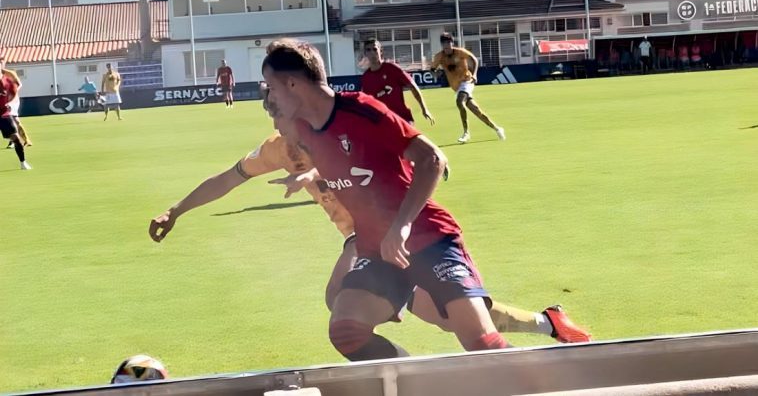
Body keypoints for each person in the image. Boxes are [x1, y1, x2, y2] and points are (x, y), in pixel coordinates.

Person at [148, 116, 591, 346]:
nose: (284, 124)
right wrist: (176, 209)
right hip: (367, 240)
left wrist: (315, 174)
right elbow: (228, 178)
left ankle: (392, 376)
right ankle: (547, 323)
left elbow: (380, 156)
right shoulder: (276, 149)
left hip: (405, 233)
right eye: (277, 116)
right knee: (446, 320)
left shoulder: (342, 126)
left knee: (341, 305)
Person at [261, 40, 511, 361]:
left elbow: (433, 160)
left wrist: (401, 227)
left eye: (273, 87)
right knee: (346, 331)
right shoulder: (303, 129)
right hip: (376, 250)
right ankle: (421, 385)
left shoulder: (361, 110)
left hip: (428, 237)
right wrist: (307, 177)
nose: (272, 96)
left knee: (482, 345)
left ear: (293, 84)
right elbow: (344, 163)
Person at [429, 32, 504, 144]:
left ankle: (466, 133)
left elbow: (474, 59)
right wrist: (435, 74)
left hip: (467, 81)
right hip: (456, 86)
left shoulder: (460, 52)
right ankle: (497, 128)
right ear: (441, 44)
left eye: (448, 42)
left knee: (460, 102)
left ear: (452, 43)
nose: (446, 45)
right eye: (444, 43)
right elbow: (432, 69)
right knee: (476, 111)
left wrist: (474, 74)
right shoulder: (439, 56)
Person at [360, 39, 434, 126]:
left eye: (375, 49)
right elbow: (366, 103)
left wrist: (424, 109)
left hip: (403, 119)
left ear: (380, 51)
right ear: (365, 53)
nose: (372, 52)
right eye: (368, 50)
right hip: (383, 123)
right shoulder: (366, 78)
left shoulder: (392, 68)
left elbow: (412, 86)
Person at [0, 69, 31, 170]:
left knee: (15, 137)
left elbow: (14, 92)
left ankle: (23, 162)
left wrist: (8, 103)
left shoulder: (7, 81)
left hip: (3, 113)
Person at [0, 57, 31, 147]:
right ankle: (17, 140)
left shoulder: (10, 73)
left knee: (14, 120)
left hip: (12, 100)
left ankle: (20, 140)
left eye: (2, 63)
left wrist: (12, 92)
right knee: (12, 120)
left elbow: (19, 84)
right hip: (3, 100)